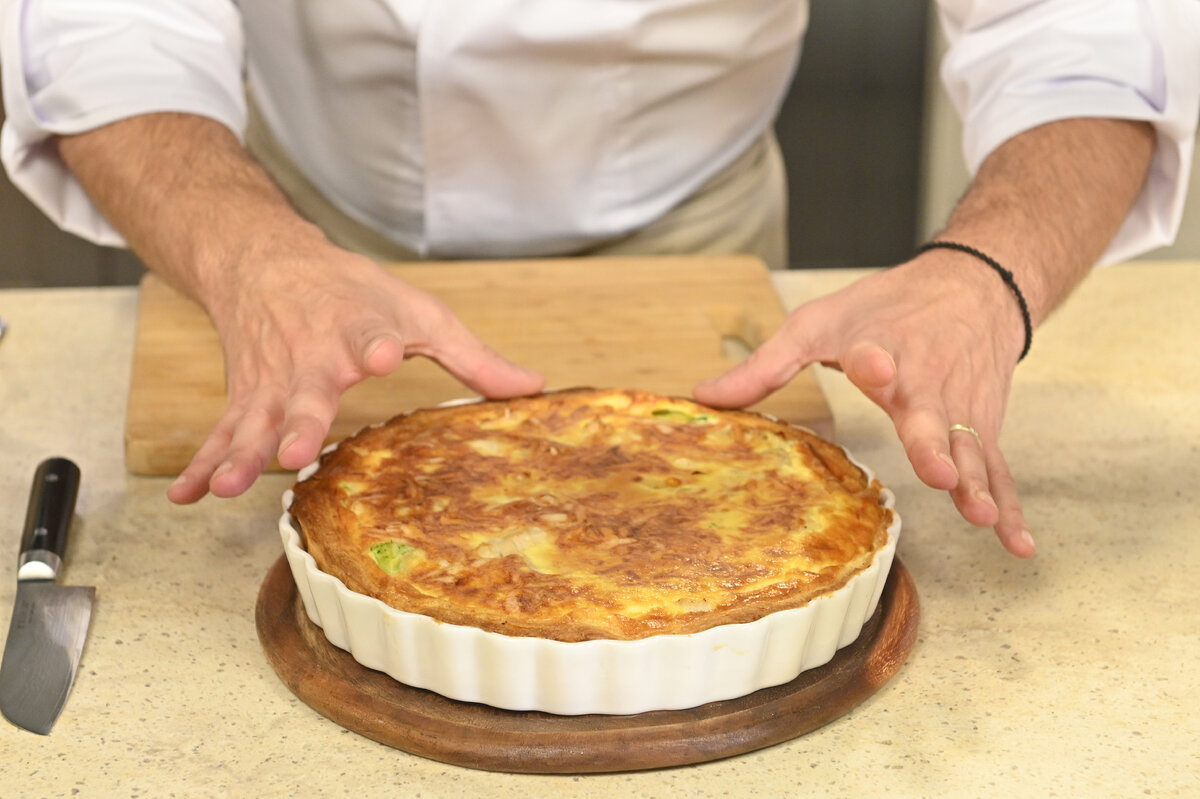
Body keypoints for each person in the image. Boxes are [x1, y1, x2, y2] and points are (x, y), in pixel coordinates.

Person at [2, 1, 1197, 559]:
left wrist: (986, 273)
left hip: (697, 220)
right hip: (288, 213)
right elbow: (105, 16)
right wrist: (247, 253)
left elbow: (1079, 23)